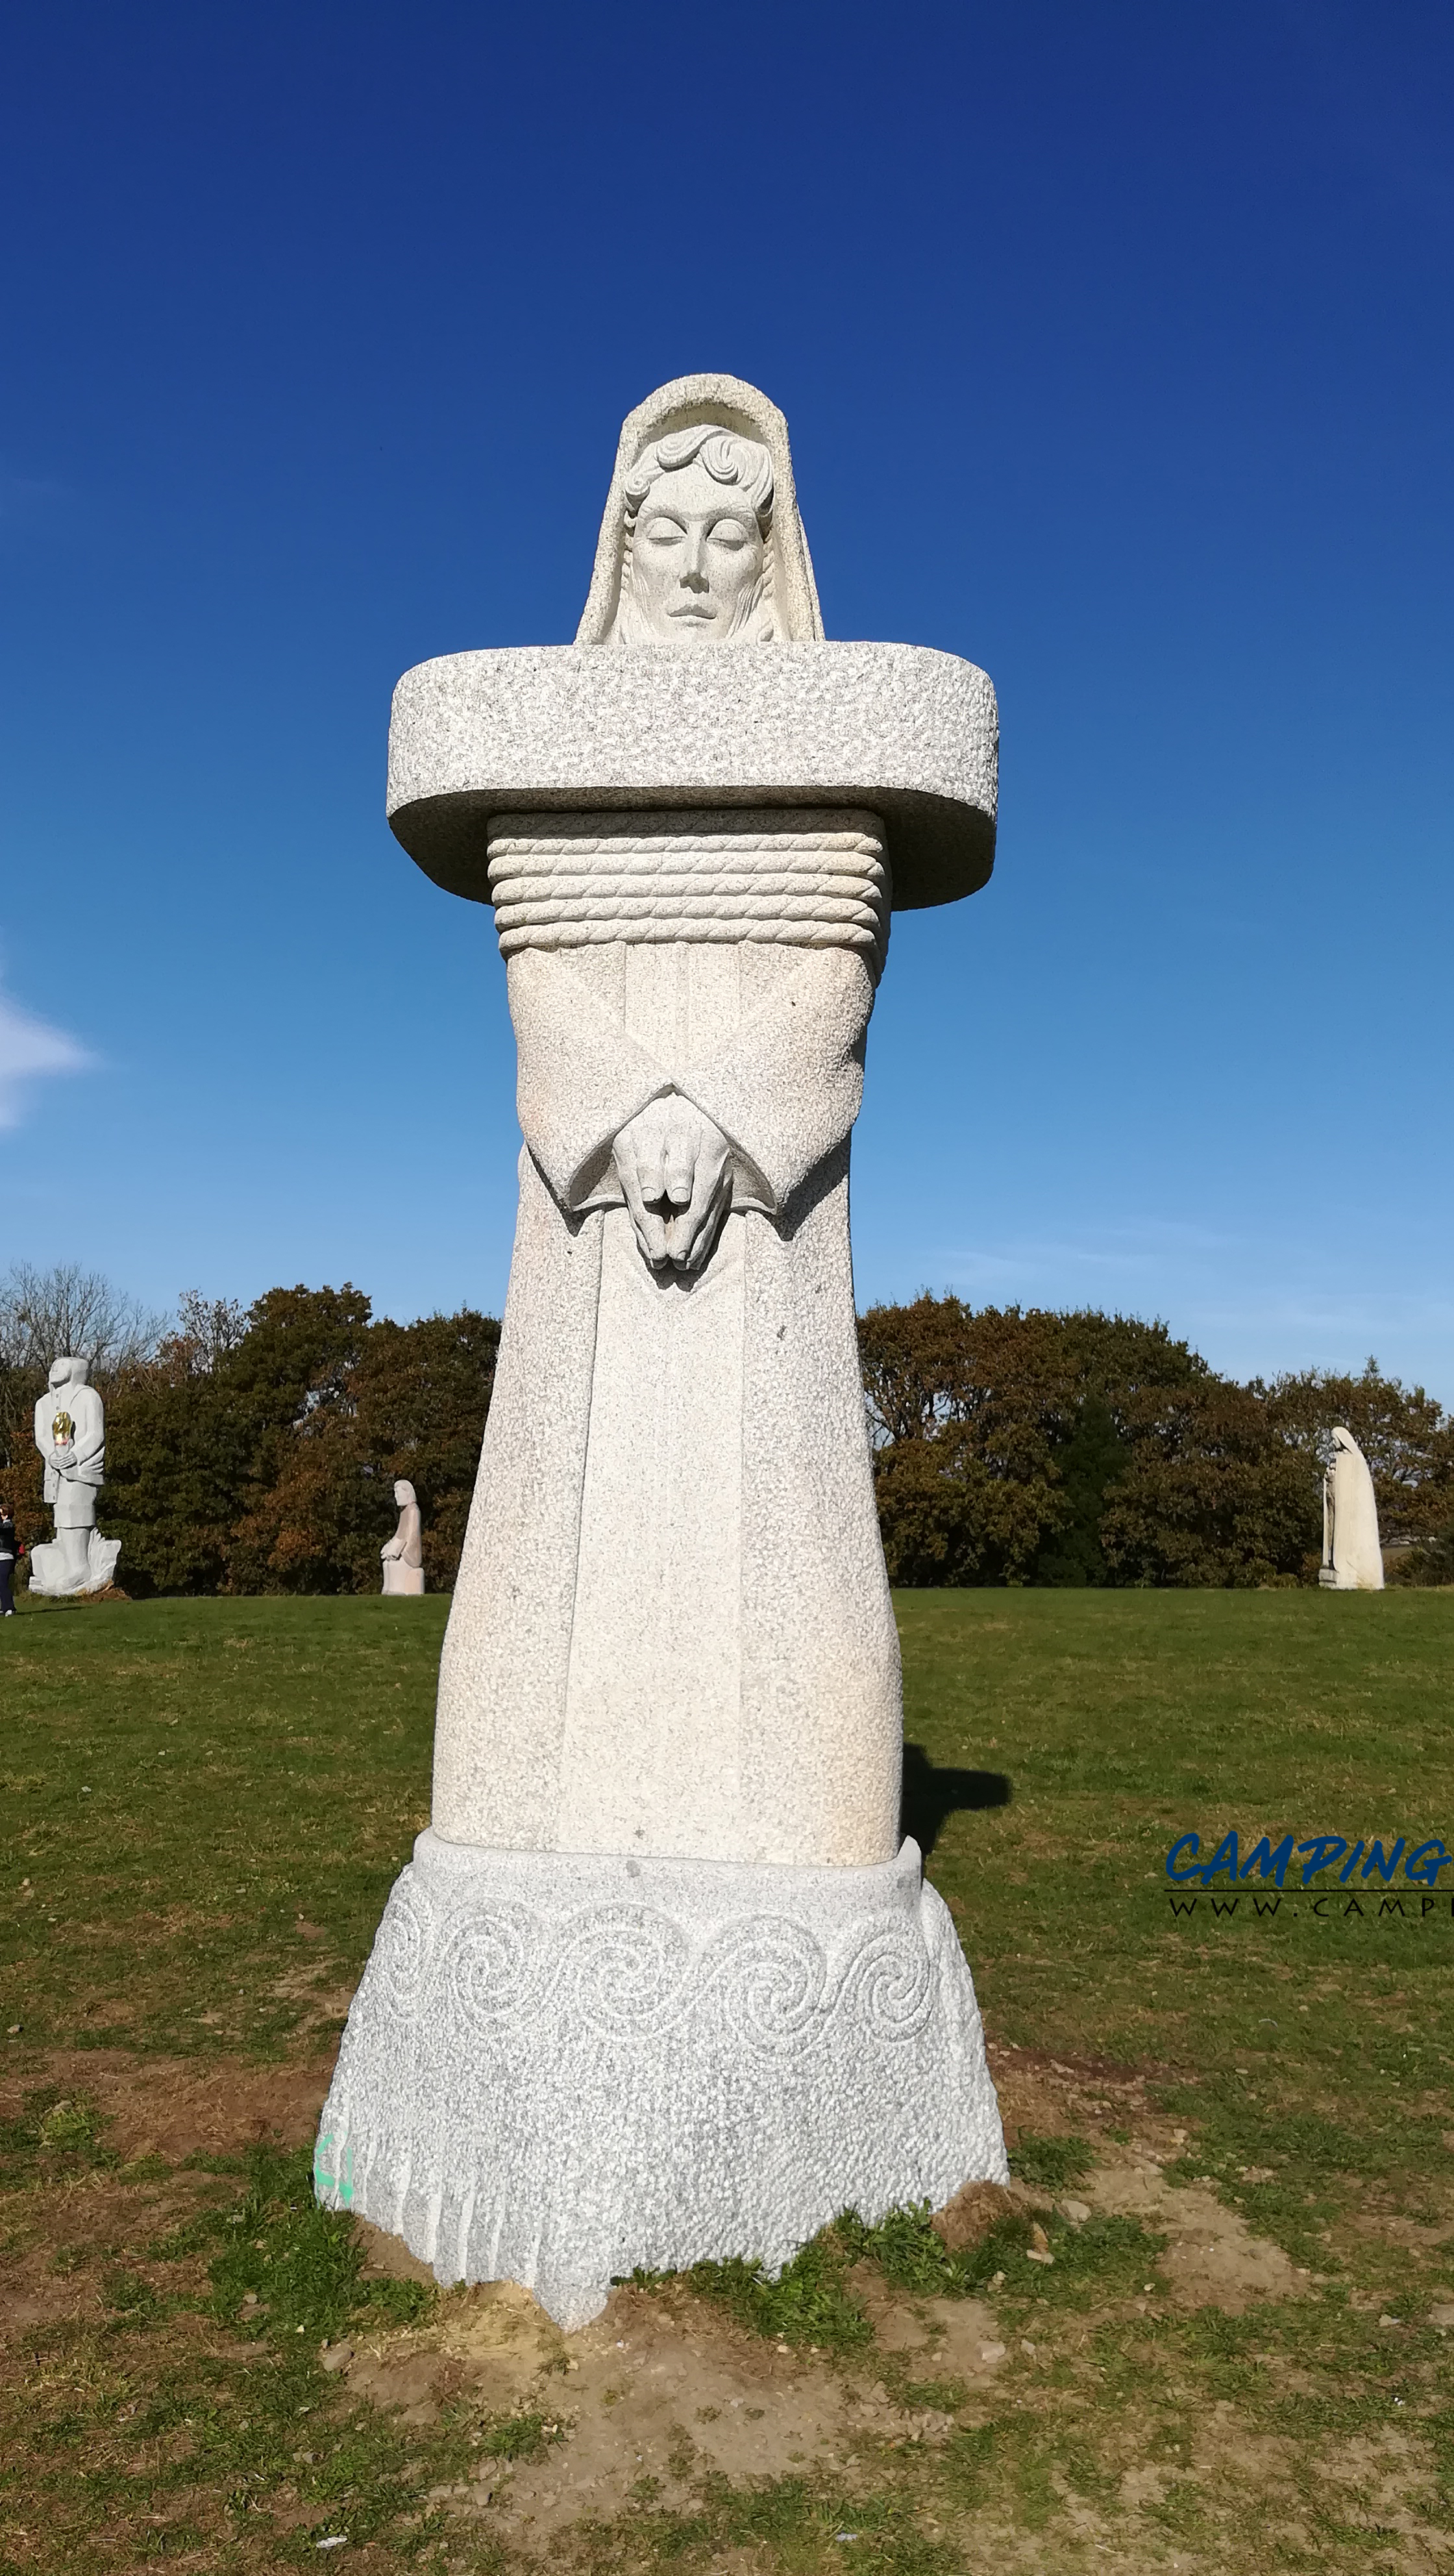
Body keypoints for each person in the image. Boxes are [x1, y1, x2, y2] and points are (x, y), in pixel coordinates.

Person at [0, 1506, 18, 1617]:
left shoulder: (9, 1526)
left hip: (6, 1557)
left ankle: (11, 1608)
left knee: (4, 1583)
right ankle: (4, 1607)